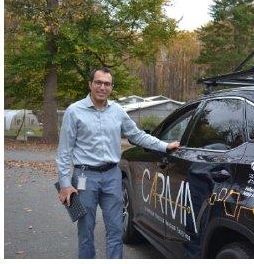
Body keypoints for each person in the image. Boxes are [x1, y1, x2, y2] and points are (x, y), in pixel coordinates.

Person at [56, 67, 180, 259]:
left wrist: (164, 146)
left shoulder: (118, 111)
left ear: (111, 87)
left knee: (115, 230)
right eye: (98, 82)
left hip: (112, 176)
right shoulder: (74, 112)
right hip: (84, 177)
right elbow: (64, 151)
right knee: (86, 230)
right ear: (90, 84)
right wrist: (65, 184)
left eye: (107, 84)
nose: (102, 87)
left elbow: (137, 135)